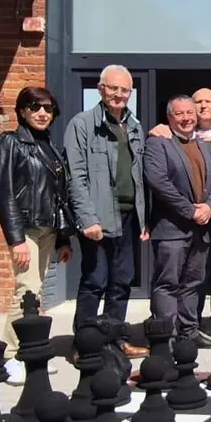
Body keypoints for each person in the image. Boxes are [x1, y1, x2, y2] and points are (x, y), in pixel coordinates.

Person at [0, 86, 74, 385]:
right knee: (26, 290)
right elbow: (4, 193)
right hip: (25, 228)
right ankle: (14, 354)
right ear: (22, 111)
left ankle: (33, 349)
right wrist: (15, 239)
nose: (41, 113)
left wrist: (64, 239)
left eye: (48, 108)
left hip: (49, 230)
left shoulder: (50, 147)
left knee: (37, 293)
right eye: (35, 107)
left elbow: (59, 196)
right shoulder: (9, 143)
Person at [64, 63, 148, 357]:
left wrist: (143, 218)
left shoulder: (135, 127)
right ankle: (85, 344)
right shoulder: (82, 124)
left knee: (121, 282)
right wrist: (87, 218)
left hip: (127, 217)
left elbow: (139, 176)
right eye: (113, 88)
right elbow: (75, 176)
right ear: (101, 89)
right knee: (95, 281)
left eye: (124, 90)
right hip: (97, 219)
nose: (118, 94)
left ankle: (114, 340)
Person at [149, 87, 211, 343]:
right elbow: (159, 182)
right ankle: (166, 336)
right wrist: (190, 210)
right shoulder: (158, 142)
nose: (185, 118)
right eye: (179, 114)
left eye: (189, 112)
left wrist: (210, 207)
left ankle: (188, 333)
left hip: (202, 229)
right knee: (168, 284)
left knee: (193, 284)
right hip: (172, 229)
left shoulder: (207, 146)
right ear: (170, 117)